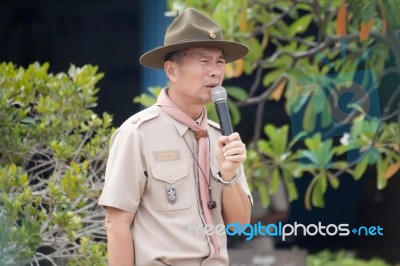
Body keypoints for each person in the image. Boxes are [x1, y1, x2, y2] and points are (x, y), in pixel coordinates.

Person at [98, 8, 253, 266]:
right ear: (171, 70)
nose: (215, 72)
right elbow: (117, 224)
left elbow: (239, 226)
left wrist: (229, 175)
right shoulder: (137, 134)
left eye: (220, 62)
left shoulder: (221, 136)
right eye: (204, 61)